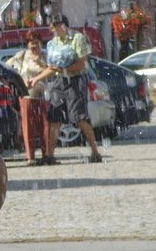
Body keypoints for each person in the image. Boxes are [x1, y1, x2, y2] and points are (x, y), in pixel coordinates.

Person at [30, 14, 103, 164]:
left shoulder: (77, 39)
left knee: (80, 118)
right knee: (55, 118)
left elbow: (82, 64)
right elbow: (52, 68)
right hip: (58, 82)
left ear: (62, 25)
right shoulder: (52, 44)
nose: (51, 30)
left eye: (53, 26)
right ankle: (49, 156)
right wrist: (37, 78)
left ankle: (95, 152)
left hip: (76, 81)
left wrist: (65, 70)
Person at [7, 31, 51, 166]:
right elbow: (8, 67)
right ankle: (30, 157)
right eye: (31, 43)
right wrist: (18, 80)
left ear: (40, 43)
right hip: (26, 95)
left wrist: (41, 63)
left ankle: (46, 155)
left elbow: (52, 71)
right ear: (27, 44)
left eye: (36, 43)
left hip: (43, 96)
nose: (34, 46)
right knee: (28, 127)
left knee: (45, 127)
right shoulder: (22, 56)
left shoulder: (46, 57)